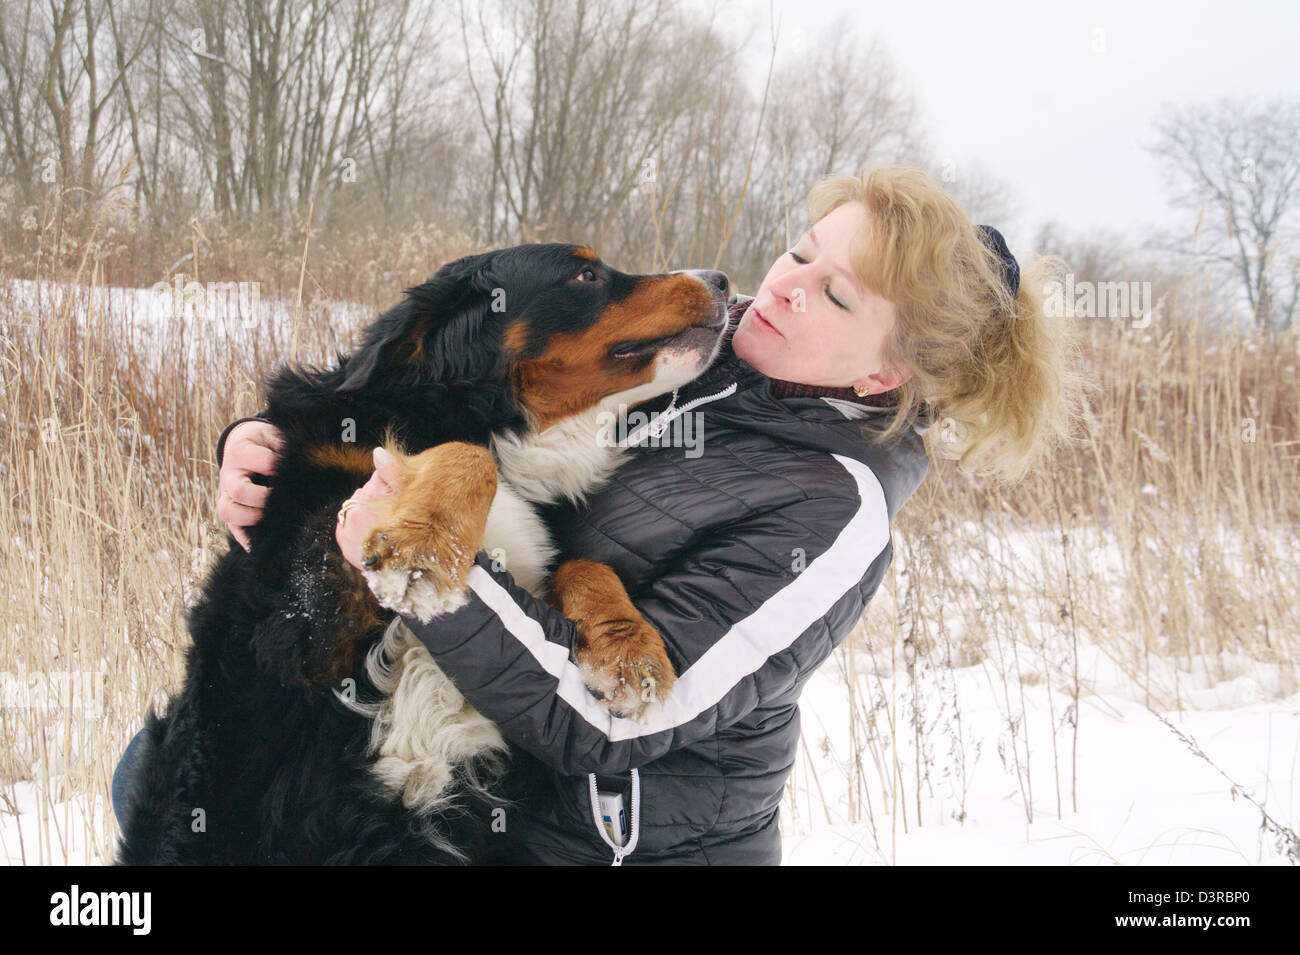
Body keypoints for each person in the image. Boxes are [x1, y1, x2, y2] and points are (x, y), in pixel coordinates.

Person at [114, 165, 1081, 864]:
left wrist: (434, 559)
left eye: (832, 293)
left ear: (883, 373)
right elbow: (463, 390)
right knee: (157, 781)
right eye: (800, 249)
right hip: (482, 813)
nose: (782, 284)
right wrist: (274, 451)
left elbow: (612, 723)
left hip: (618, 843)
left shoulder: (836, 511)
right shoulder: (705, 356)